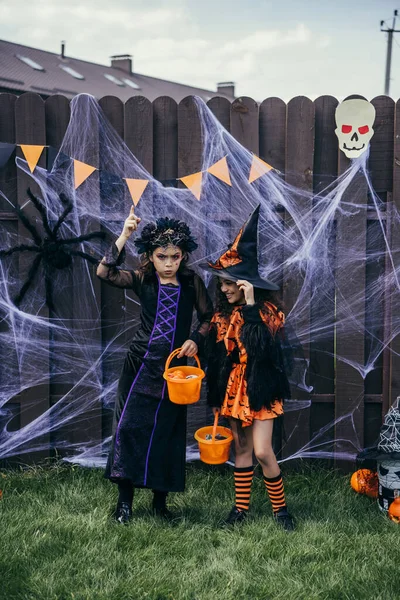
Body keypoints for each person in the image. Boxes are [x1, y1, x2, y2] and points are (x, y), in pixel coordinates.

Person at [97, 206, 213, 523]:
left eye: (175, 257)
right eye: (162, 257)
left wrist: (195, 340)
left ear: (183, 256)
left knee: (167, 433)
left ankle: (160, 505)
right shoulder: (142, 279)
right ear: (151, 255)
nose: (169, 263)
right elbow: (104, 272)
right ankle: (124, 505)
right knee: (129, 429)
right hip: (140, 366)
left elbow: (208, 318)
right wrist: (124, 235)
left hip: (175, 372)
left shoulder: (191, 283)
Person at [202, 205, 295, 531]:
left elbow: (261, 348)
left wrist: (252, 304)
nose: (225, 289)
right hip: (234, 386)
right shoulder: (222, 315)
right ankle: (240, 510)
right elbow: (217, 357)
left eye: (231, 284)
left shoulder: (268, 312)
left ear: (246, 284)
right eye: (222, 284)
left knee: (262, 450)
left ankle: (281, 511)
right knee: (241, 449)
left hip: (261, 385)